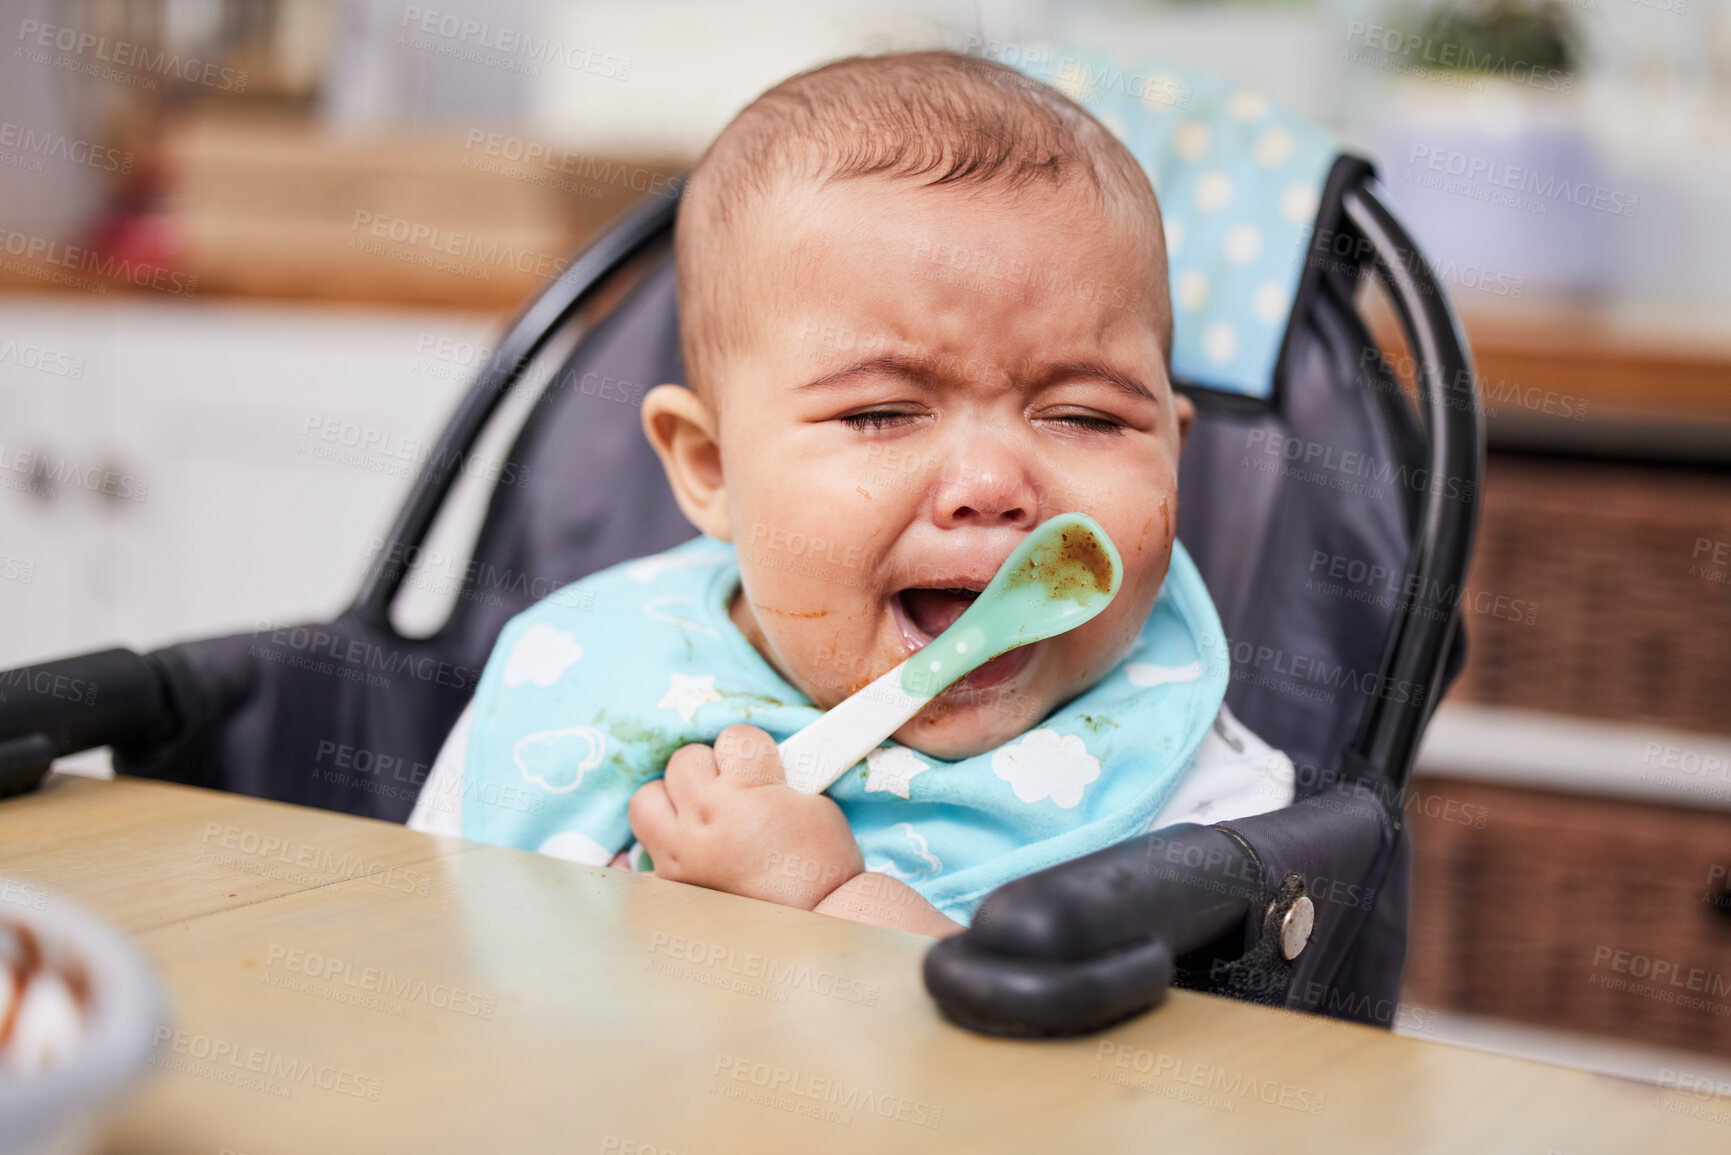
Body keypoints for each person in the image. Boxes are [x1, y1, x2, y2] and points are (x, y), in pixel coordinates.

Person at [408, 51, 1293, 936]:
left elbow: (1102, 1071)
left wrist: (831, 900)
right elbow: (423, 959)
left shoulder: (1198, 798)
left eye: (1086, 417)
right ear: (711, 469)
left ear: (1174, 449)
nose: (990, 486)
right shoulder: (581, 673)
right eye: (879, 413)